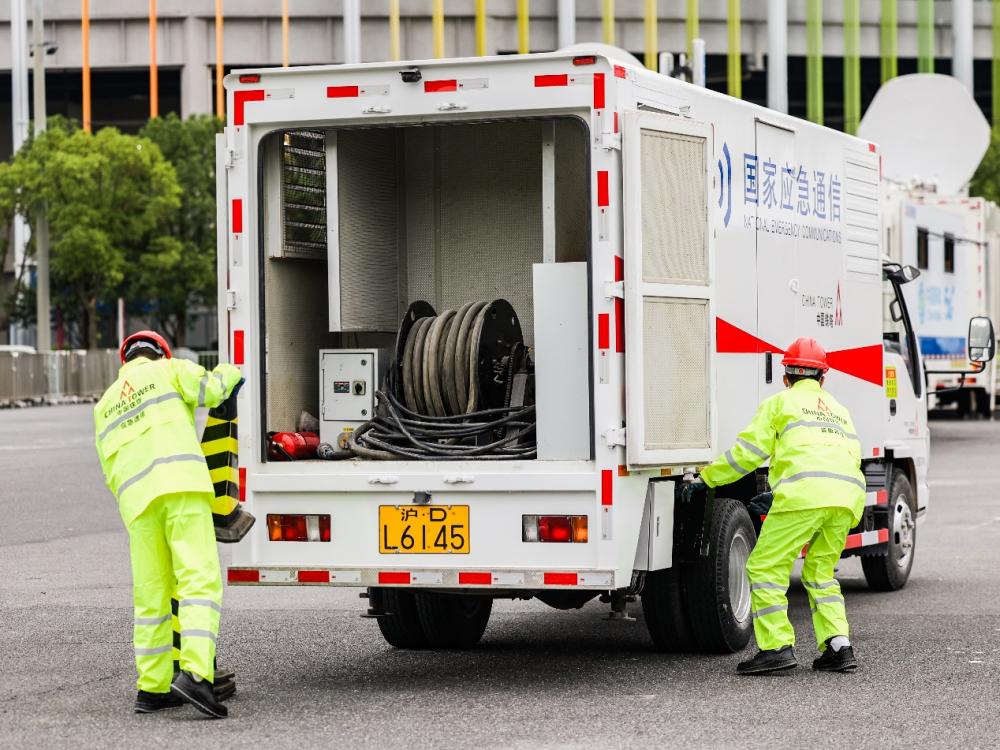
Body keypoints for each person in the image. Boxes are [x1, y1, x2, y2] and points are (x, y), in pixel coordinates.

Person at [683, 337, 865, 675]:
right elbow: (846, 456)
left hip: (804, 497)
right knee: (821, 573)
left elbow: (747, 455)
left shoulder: (780, 403)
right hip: (846, 498)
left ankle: (777, 647)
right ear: (822, 378)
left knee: (765, 568)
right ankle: (839, 647)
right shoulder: (839, 410)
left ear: (786, 376)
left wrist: (706, 479)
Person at [94, 331, 243, 717]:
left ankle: (154, 687)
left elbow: (109, 468)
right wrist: (234, 369)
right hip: (181, 487)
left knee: (151, 595)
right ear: (160, 351)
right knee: (198, 579)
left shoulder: (105, 404)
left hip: (138, 507)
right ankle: (195, 675)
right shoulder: (168, 370)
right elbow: (212, 389)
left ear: (123, 361)